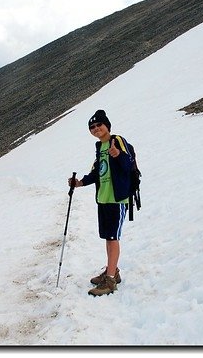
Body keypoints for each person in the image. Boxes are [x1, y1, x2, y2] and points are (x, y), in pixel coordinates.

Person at [68, 109, 133, 296]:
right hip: (103, 198)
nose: (96, 129)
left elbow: (128, 164)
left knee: (113, 238)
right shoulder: (99, 147)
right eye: (92, 127)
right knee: (108, 237)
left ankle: (110, 280)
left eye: (99, 125)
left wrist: (117, 154)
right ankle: (112, 270)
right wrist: (79, 183)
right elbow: (97, 172)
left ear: (107, 126)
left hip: (116, 198)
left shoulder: (117, 140)